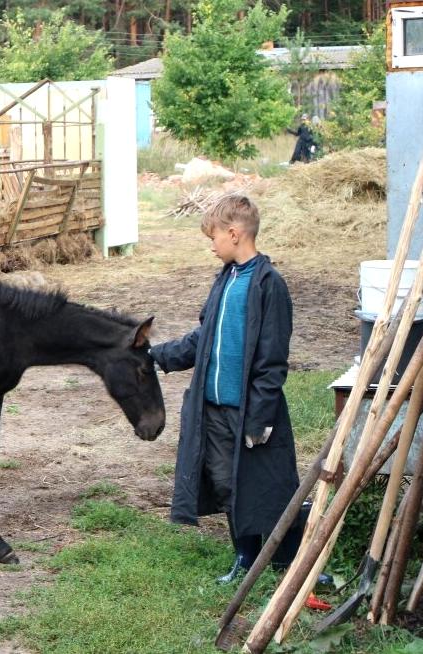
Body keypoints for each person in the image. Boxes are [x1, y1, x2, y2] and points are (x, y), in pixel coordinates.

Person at [149, 193, 300, 583]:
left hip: (248, 411)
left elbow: (272, 359)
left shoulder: (269, 285)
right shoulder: (225, 279)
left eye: (213, 237)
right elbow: (206, 337)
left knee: (263, 486)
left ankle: (286, 562)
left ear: (234, 234)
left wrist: (261, 416)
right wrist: (158, 355)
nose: (211, 246)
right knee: (226, 484)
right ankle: (244, 558)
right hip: (212, 408)